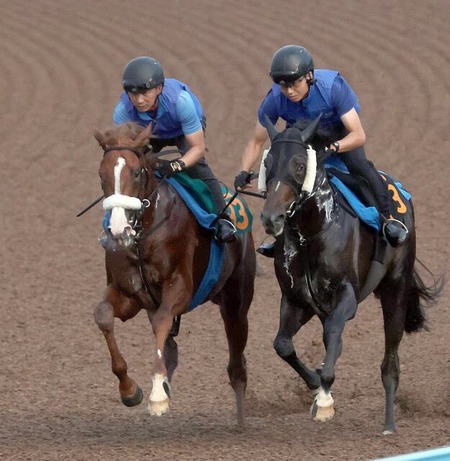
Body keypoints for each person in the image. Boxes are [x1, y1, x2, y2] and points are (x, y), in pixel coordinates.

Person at [234, 44, 408, 256]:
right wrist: (243, 171)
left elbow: (359, 135)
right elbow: (256, 141)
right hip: (303, 135)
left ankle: (388, 220)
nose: (289, 91)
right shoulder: (274, 99)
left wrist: (334, 147)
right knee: (285, 176)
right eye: (283, 86)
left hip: (340, 134)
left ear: (309, 76)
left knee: (359, 167)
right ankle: (282, 237)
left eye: (295, 84)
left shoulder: (332, 88)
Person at [113, 56, 236, 243]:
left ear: (159, 88)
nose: (139, 100)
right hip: (152, 131)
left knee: (197, 167)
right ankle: (117, 221)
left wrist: (176, 165)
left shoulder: (181, 102)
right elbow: (125, 153)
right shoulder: (122, 111)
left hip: (181, 129)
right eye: (133, 94)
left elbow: (198, 148)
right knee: (132, 168)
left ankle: (223, 218)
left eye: (145, 93)